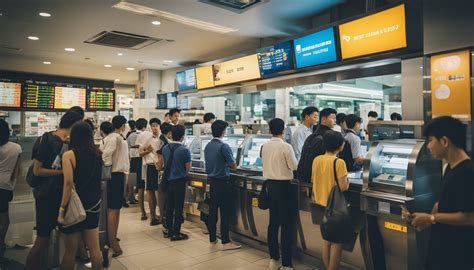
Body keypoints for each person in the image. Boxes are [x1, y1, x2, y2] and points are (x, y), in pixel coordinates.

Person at [404, 116, 474, 270]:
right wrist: (422, 218)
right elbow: (443, 203)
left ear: (444, 141)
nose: (428, 146)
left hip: (457, 254)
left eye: (430, 140)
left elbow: (470, 217)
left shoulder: (466, 173)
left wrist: (432, 218)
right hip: (442, 247)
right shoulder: (450, 167)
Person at [25, 110, 83, 270]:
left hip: (62, 197)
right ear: (74, 124)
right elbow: (37, 170)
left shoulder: (70, 143)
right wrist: (62, 172)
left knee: (70, 243)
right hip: (46, 196)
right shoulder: (48, 140)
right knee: (42, 240)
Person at [57, 122, 103, 270]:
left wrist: (62, 209)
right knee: (95, 248)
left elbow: (68, 183)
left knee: (70, 251)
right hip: (94, 204)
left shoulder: (68, 155)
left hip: (74, 205)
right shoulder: (98, 154)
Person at [261, 118, 298, 270]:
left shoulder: (264, 146)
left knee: (273, 223)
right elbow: (294, 166)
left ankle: (274, 258)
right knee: (286, 225)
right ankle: (286, 263)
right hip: (285, 187)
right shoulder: (286, 147)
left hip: (270, 186)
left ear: (270, 130)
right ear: (283, 130)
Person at [312, 131, 349, 270]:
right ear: (339, 145)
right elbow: (343, 187)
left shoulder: (317, 159)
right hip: (334, 208)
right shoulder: (339, 162)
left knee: (327, 241)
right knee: (337, 244)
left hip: (320, 206)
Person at [204, 120, 241, 250]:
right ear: (223, 131)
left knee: (213, 212)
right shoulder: (223, 146)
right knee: (225, 213)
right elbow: (233, 166)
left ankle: (213, 239)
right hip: (222, 183)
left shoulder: (208, 145)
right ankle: (225, 241)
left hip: (212, 182)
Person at [100, 115, 130, 257]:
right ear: (123, 125)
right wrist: (109, 168)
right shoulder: (114, 138)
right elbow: (105, 156)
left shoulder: (118, 137)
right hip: (114, 176)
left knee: (116, 209)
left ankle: (113, 236)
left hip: (119, 175)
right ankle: (112, 241)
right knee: (113, 209)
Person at [157, 125, 191, 241]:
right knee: (178, 207)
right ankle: (176, 233)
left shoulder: (165, 148)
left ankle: (169, 231)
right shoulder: (185, 150)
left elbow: (161, 165)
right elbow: (188, 168)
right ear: (183, 136)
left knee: (169, 206)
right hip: (179, 181)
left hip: (168, 181)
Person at [0, 120, 21, 263]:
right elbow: (17, 171)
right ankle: (1, 243)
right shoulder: (16, 148)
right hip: (5, 186)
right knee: (4, 216)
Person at [139, 118, 162, 226]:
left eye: (156, 125)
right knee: (151, 191)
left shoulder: (162, 138)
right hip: (151, 167)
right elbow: (140, 153)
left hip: (161, 167)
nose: (155, 127)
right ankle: (153, 217)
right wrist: (148, 150)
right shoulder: (147, 139)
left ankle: (162, 216)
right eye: (153, 125)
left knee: (161, 192)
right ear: (150, 127)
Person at [128, 118, 148, 219]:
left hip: (132, 161)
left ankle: (130, 197)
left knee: (132, 182)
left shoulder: (130, 135)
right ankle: (143, 212)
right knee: (141, 186)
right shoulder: (146, 135)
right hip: (141, 160)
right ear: (145, 126)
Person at [155, 122, 173, 227]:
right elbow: (159, 157)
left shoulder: (163, 140)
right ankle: (163, 218)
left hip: (162, 170)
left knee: (163, 196)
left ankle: (163, 218)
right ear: (170, 133)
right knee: (162, 196)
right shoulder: (162, 142)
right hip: (162, 171)